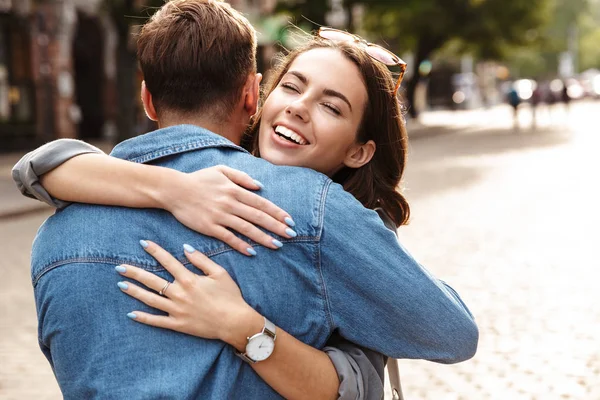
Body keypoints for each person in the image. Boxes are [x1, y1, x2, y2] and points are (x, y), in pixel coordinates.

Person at [13, 1, 478, 399]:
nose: (298, 106)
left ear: (147, 101)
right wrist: (175, 191)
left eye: (332, 106)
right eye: (292, 87)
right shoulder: (310, 210)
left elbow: (41, 168)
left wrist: (244, 325)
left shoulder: (54, 239)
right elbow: (450, 334)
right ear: (254, 95)